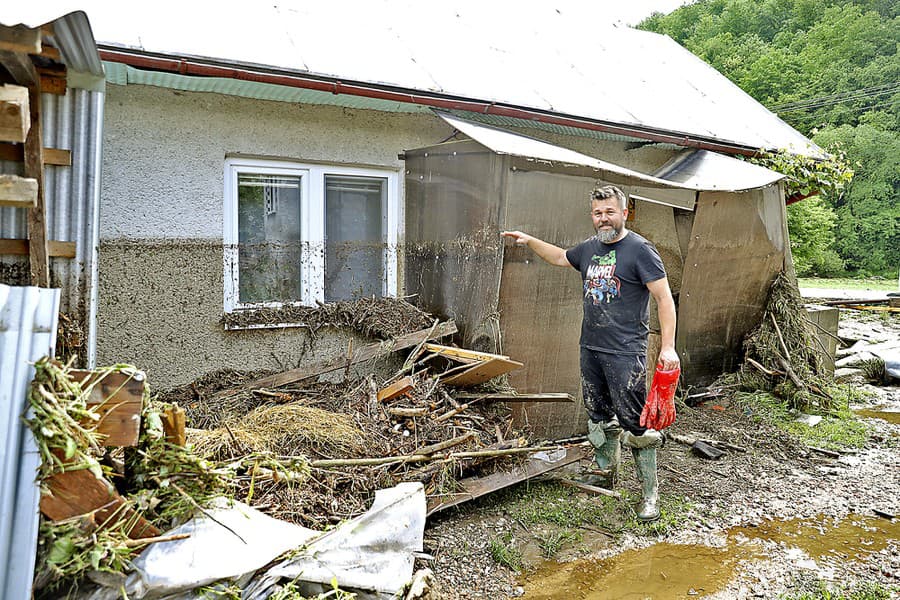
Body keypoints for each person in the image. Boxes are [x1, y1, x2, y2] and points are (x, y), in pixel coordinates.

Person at [501, 185, 679, 522]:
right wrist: (529, 239)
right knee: (598, 413)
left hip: (627, 352)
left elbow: (664, 298)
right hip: (592, 347)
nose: (603, 218)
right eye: (598, 213)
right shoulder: (590, 249)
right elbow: (558, 257)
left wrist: (668, 347)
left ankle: (649, 495)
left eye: (610, 211)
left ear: (624, 213)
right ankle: (604, 471)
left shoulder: (641, 250)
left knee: (637, 424)